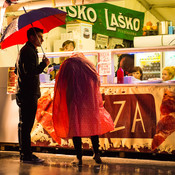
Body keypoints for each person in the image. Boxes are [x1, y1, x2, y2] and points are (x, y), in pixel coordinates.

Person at [53, 53, 114, 166]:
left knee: (75, 126)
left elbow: (60, 82)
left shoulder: (68, 64)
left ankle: (78, 158)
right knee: (93, 125)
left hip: (73, 99)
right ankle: (96, 154)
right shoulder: (89, 64)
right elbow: (97, 81)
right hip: (89, 100)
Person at [15, 27, 50, 163]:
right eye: (40, 36)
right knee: (26, 125)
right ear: (31, 37)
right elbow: (30, 72)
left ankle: (25, 153)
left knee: (24, 125)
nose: (42, 39)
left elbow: (18, 70)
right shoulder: (28, 51)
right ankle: (26, 155)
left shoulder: (27, 51)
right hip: (28, 93)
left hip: (25, 92)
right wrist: (43, 64)